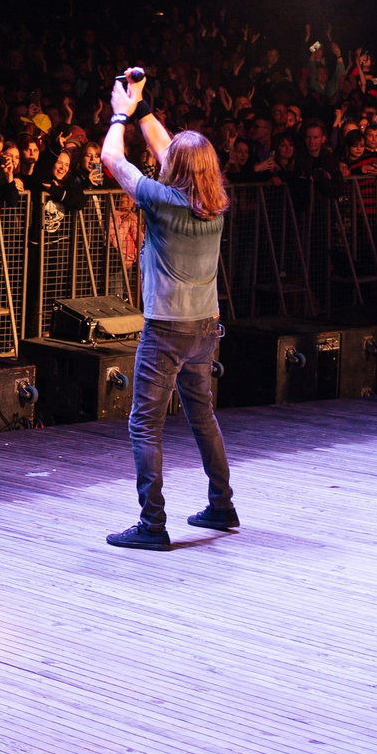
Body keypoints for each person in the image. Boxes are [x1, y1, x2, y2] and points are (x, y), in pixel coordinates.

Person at [98, 71, 237, 548]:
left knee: (144, 425)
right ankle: (221, 505)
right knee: (202, 415)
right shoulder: (215, 203)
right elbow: (168, 152)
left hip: (166, 330)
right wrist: (142, 107)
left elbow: (111, 158)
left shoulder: (161, 200)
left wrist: (120, 115)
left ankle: (153, 524)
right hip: (205, 326)